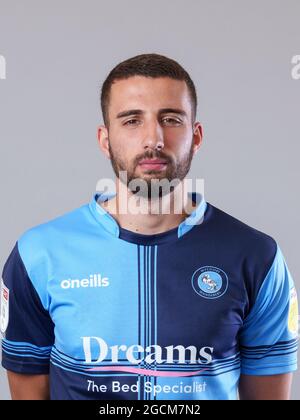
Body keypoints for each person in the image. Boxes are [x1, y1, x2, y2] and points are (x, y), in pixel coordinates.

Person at [1, 53, 298, 400]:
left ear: (196, 136)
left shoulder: (257, 258)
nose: (153, 138)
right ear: (104, 139)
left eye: (170, 119)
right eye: (131, 121)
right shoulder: (39, 254)